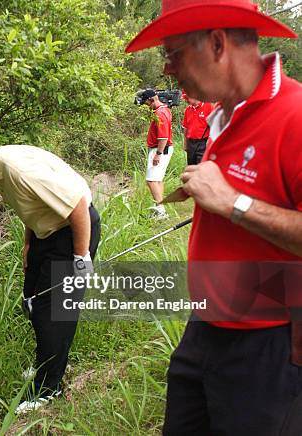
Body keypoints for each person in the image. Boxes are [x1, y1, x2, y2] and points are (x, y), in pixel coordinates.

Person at [126, 0, 302, 434]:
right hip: (204, 324)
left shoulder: (295, 116)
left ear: (217, 43)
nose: (167, 70)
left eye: (172, 54)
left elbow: (236, 201)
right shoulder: (222, 114)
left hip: (269, 341)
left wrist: (233, 203)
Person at [0, 136, 101, 414]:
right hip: (45, 234)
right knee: (33, 302)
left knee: (54, 312)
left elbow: (78, 205)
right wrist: (29, 243)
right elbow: (33, 205)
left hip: (71, 233)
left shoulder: (18, 170)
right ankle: (48, 362)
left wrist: (80, 257)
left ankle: (49, 388)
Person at [138, 89, 173, 219]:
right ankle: (159, 208)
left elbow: (163, 137)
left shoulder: (160, 114)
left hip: (160, 149)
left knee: (151, 180)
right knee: (157, 180)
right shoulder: (165, 109)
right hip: (164, 148)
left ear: (152, 100)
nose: (147, 106)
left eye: (147, 103)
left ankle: (161, 211)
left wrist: (158, 153)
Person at [181, 91, 213, 165]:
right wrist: (185, 144)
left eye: (187, 98)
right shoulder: (188, 110)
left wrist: (210, 141)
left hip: (203, 142)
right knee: (191, 165)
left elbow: (214, 125)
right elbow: (186, 128)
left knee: (200, 166)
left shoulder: (208, 106)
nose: (186, 100)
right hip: (191, 143)